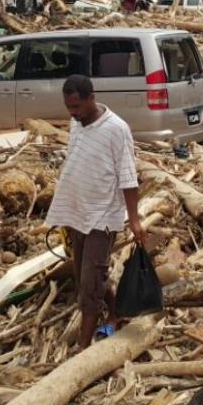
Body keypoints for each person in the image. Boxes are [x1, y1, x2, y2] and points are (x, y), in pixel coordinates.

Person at [45, 75, 146, 349]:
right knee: (86, 276)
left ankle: (83, 348)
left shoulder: (116, 129)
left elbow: (128, 177)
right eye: (68, 106)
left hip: (103, 216)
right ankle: (116, 312)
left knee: (89, 286)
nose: (72, 112)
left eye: (76, 106)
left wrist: (134, 220)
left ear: (92, 98)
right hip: (77, 212)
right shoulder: (76, 124)